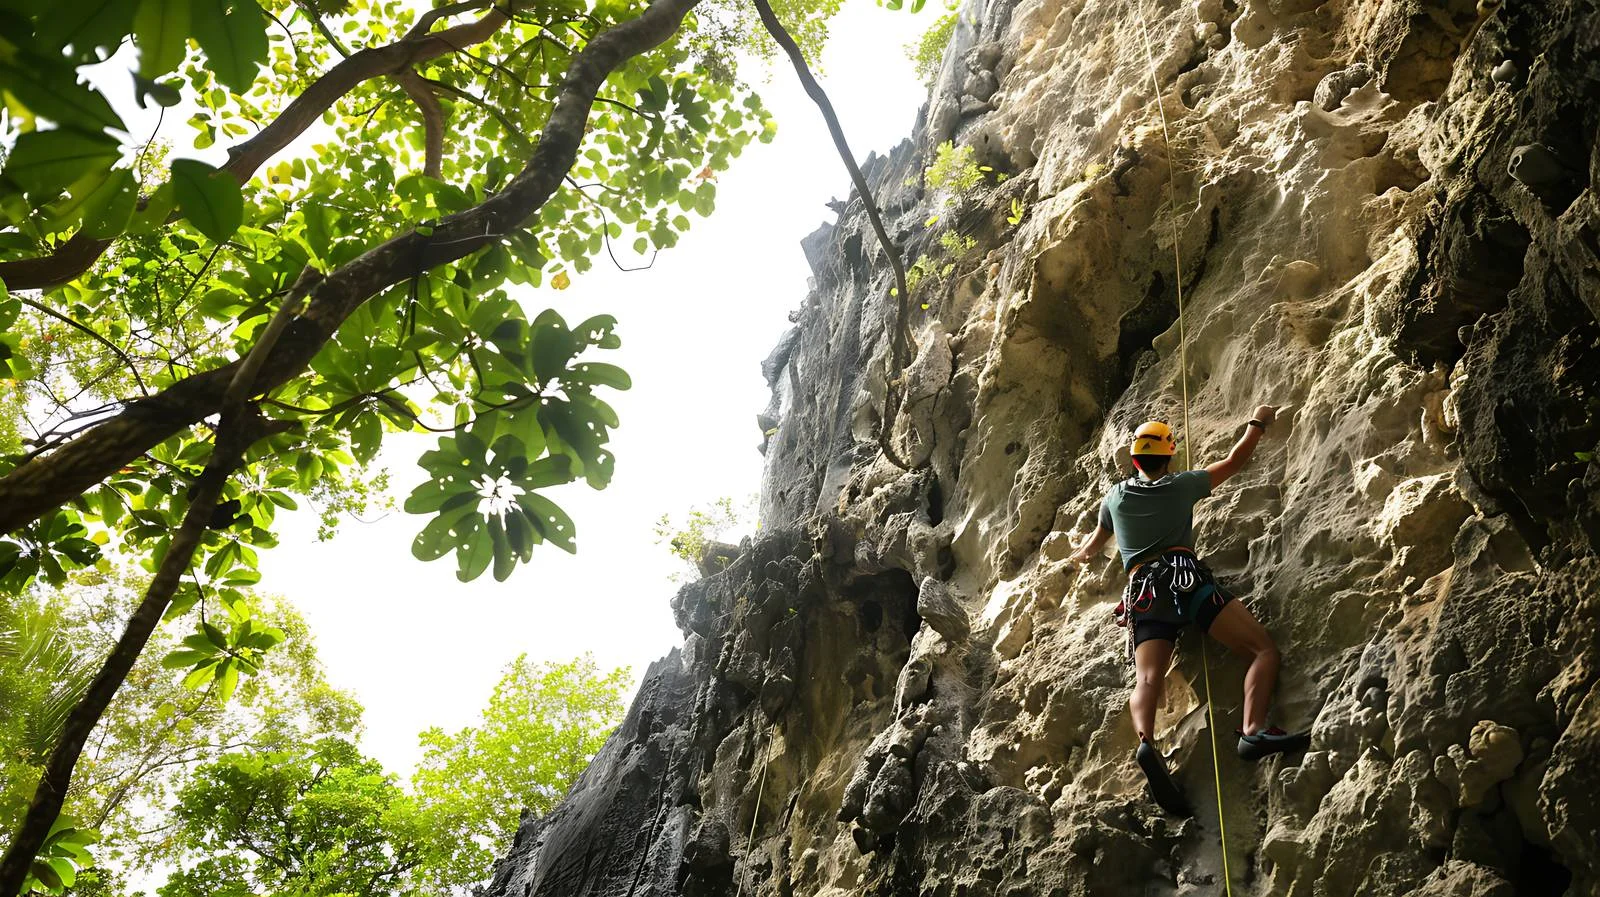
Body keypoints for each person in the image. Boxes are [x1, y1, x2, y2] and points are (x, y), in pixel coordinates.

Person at [1068, 408, 1308, 815]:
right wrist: (1258, 422)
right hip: (1186, 581)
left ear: (1133, 460)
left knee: (1148, 677)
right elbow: (1234, 461)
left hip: (1143, 592)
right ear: (1169, 456)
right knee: (1263, 650)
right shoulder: (1182, 485)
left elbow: (1094, 543)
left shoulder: (1114, 497)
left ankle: (1146, 742)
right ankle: (1252, 730)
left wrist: (1080, 555)